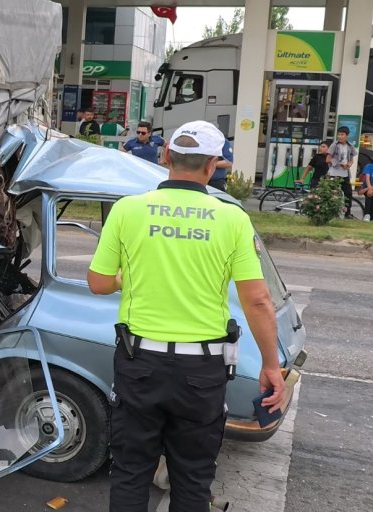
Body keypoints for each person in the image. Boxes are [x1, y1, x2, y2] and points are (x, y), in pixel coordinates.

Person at [87, 120, 287, 512]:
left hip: (139, 363)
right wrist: (270, 366)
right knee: (193, 479)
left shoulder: (128, 210)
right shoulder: (232, 218)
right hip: (202, 372)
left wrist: (125, 279)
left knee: (131, 473)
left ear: (165, 156)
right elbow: (258, 300)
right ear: (212, 165)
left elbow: (97, 282)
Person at [327, 126, 357, 218]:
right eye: (339, 134)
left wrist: (349, 164)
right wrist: (340, 164)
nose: (340, 136)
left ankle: (347, 213)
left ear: (347, 136)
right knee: (333, 192)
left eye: (342, 134)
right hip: (334, 173)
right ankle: (331, 212)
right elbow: (328, 159)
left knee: (348, 193)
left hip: (344, 173)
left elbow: (352, 159)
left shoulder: (350, 146)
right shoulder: (334, 145)